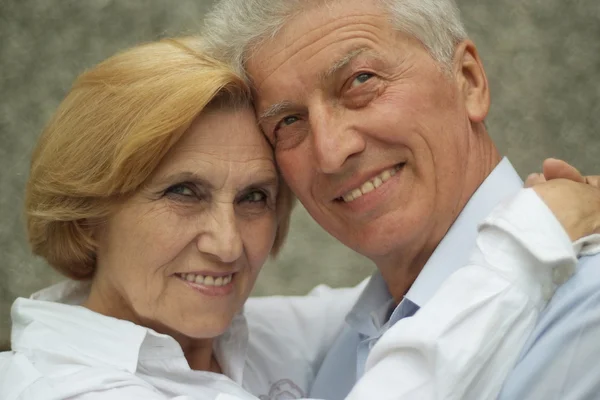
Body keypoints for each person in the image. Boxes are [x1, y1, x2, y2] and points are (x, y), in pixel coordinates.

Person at [0, 35, 598, 400]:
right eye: (183, 192)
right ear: (88, 211)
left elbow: (413, 292)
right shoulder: (54, 387)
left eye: (255, 197)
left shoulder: (247, 338)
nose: (228, 244)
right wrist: (527, 245)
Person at [200, 0, 600, 398]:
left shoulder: (587, 308)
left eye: (360, 81)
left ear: (468, 81)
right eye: (288, 121)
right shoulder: (338, 345)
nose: (330, 151)